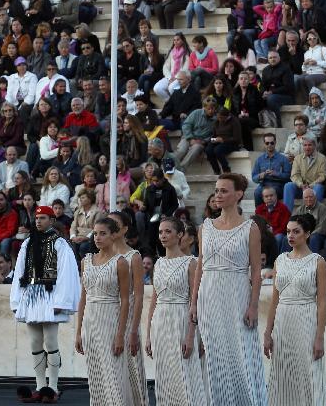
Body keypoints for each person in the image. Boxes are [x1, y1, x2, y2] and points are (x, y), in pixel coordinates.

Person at [191, 173, 267, 406]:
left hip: (237, 295)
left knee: (241, 355)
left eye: (224, 191)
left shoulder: (250, 228)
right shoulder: (205, 227)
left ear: (238, 195)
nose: (218, 195)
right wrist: (193, 303)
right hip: (209, 296)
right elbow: (200, 266)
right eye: (216, 190)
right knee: (215, 357)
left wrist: (253, 306)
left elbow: (256, 272)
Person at [11, 205, 80, 404]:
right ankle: (40, 386)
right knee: (34, 342)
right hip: (32, 295)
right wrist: (17, 299)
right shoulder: (28, 243)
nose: (38, 221)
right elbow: (20, 273)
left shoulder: (60, 243)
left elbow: (66, 273)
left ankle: (54, 386)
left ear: (51, 220)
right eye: (37, 218)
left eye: (43, 218)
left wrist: (61, 301)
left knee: (51, 341)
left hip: (50, 295)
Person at [264, 213, 326, 406]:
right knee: (283, 373)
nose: (290, 236)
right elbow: (274, 300)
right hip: (283, 321)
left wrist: (319, 338)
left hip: (306, 319)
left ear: (307, 234)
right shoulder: (279, 260)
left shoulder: (318, 262)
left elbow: (323, 302)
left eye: (296, 231)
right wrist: (268, 333)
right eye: (288, 231)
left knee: (308, 374)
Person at [145, 217, 205, 405]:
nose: (163, 235)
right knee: (165, 375)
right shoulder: (159, 264)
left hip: (181, 320)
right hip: (160, 323)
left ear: (179, 235)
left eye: (168, 231)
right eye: (161, 232)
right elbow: (154, 301)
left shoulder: (190, 263)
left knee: (185, 375)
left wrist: (192, 336)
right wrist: (148, 335)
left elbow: (196, 303)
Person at [74, 216, 132, 406]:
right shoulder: (86, 261)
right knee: (96, 378)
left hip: (111, 323)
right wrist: (78, 332)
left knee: (114, 379)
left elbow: (125, 300)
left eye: (103, 234)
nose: (98, 238)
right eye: (95, 234)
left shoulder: (121, 263)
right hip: (90, 325)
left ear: (113, 235)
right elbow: (83, 298)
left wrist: (120, 334)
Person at [107, 211, 148, 406]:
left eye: (114, 223)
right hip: (104, 319)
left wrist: (133, 329)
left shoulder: (134, 257)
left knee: (131, 372)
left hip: (128, 316)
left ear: (124, 229)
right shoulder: (100, 256)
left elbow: (138, 295)